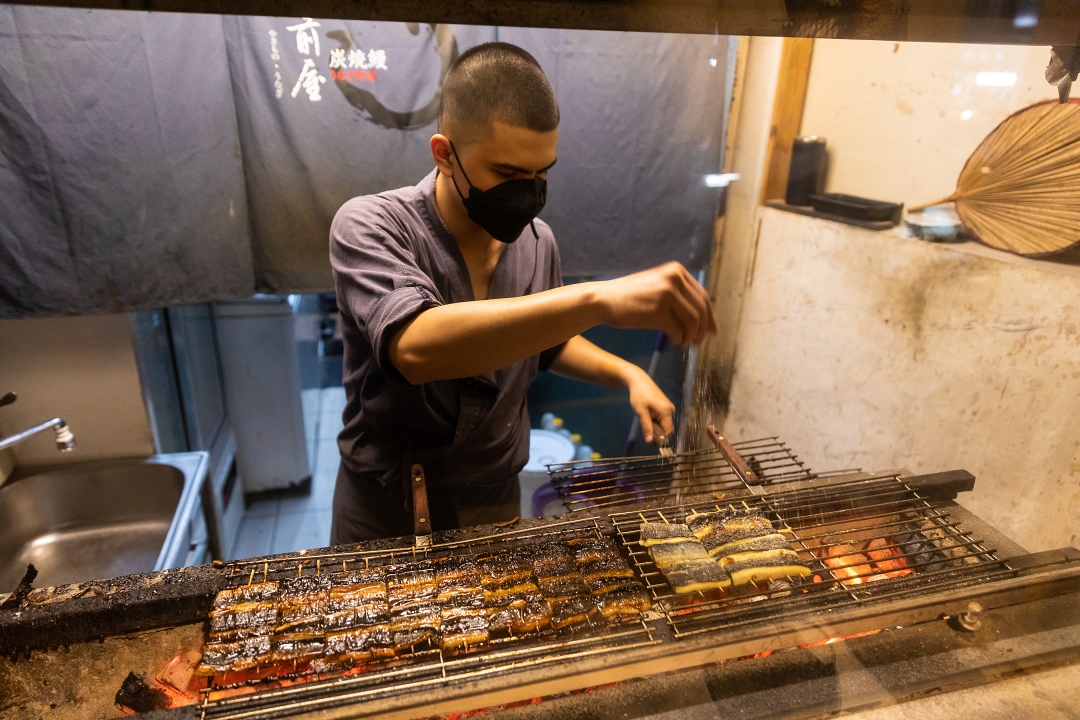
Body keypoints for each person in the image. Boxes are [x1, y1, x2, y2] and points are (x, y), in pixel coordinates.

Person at [329, 42, 716, 542]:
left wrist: (628, 374)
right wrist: (596, 300)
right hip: (390, 505)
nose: (529, 193)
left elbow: (545, 341)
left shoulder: (537, 242)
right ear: (445, 155)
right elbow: (414, 347)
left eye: (542, 173)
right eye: (508, 174)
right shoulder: (371, 226)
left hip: (495, 499)